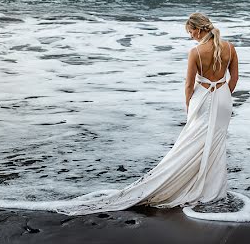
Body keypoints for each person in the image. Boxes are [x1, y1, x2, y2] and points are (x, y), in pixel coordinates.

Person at [40, 12, 239, 215]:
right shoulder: (230, 48)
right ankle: (213, 190)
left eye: (190, 32)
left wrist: (191, 107)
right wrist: (222, 95)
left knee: (188, 145)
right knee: (215, 144)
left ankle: (186, 186)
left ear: (198, 29)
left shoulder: (195, 52)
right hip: (223, 100)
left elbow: (189, 85)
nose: (190, 36)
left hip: (203, 100)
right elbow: (234, 78)